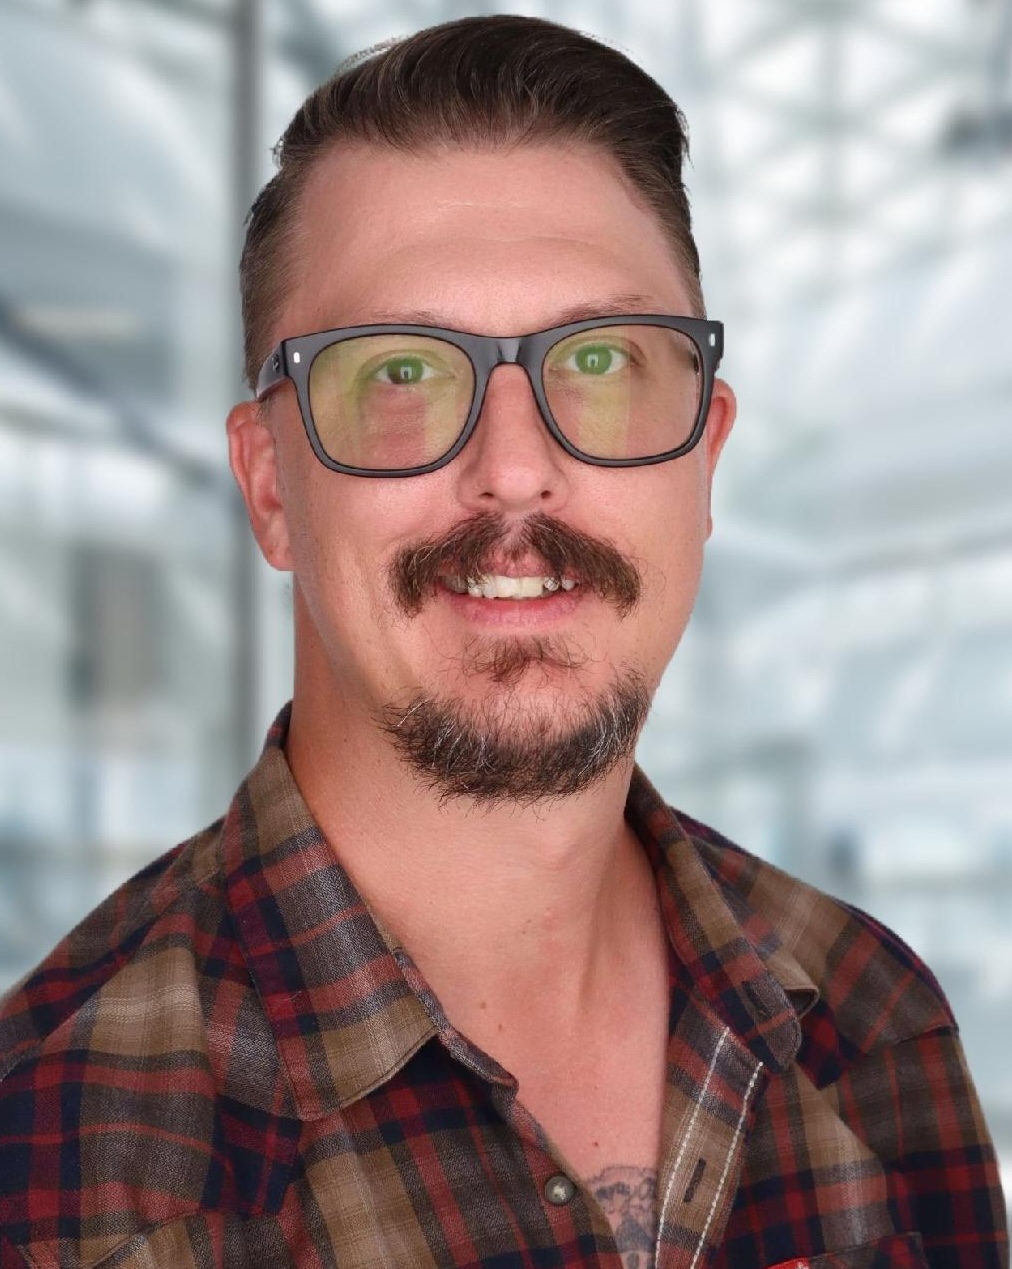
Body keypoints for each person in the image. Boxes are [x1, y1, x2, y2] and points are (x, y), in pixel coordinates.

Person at [0, 15, 1006, 1269]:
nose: (516, 474)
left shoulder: (870, 1020)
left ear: (705, 458)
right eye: (400, 374)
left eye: (599, 359)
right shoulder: (65, 1145)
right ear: (268, 486)